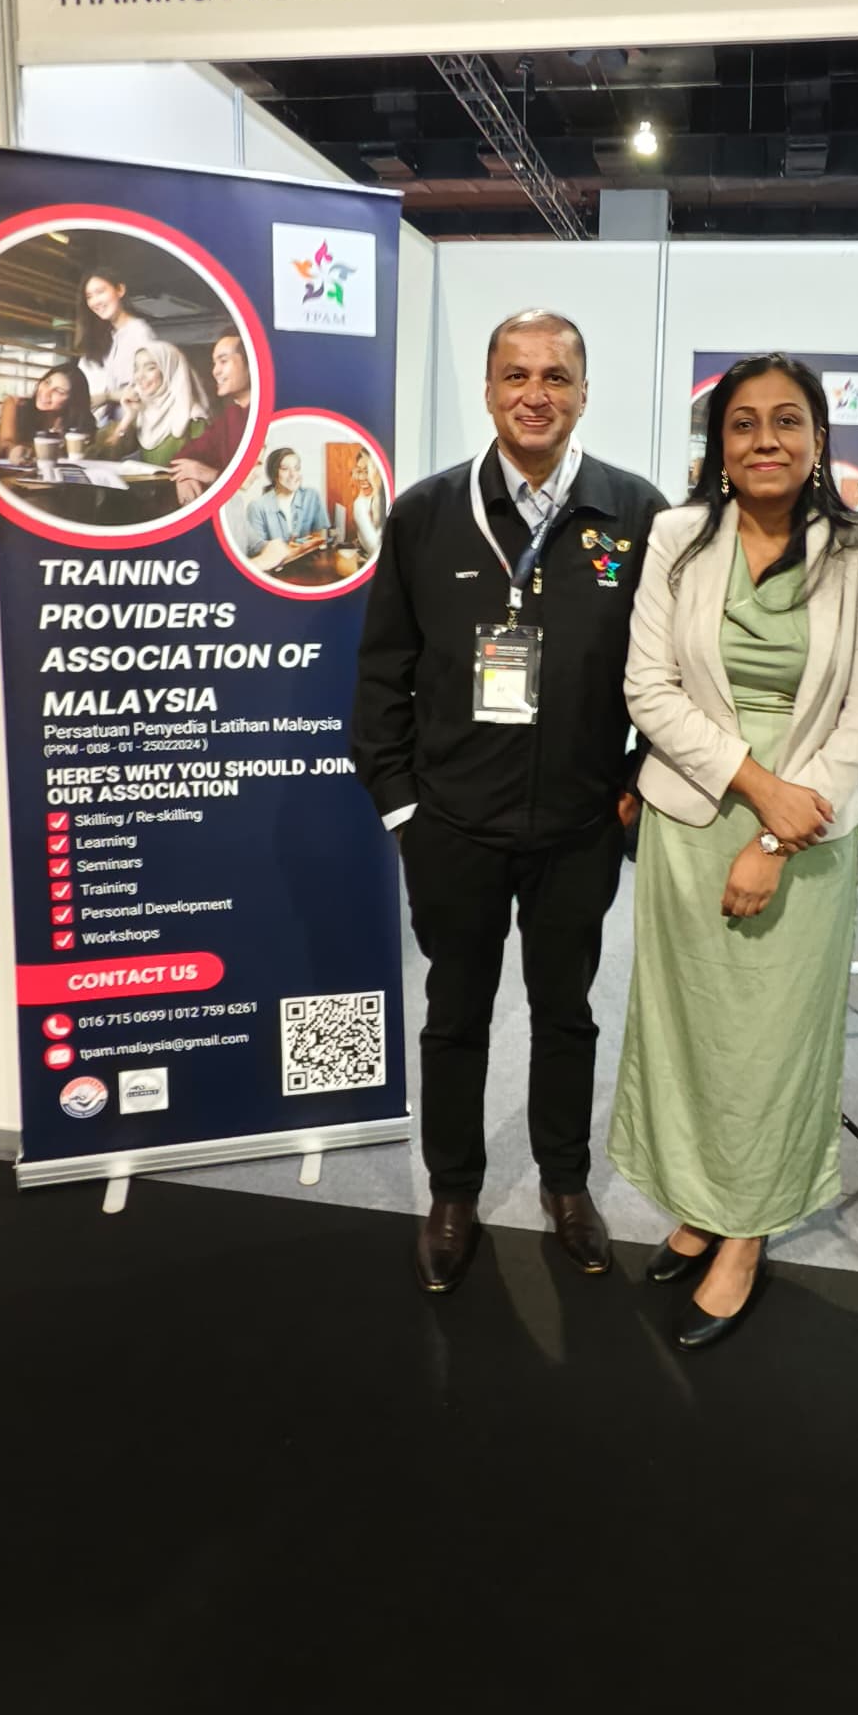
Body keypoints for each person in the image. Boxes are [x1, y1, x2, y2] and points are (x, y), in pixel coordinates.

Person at [351, 308, 664, 1295]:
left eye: (556, 376)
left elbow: (674, 673)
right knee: (455, 1015)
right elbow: (382, 674)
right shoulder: (427, 513)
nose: (536, 394)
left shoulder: (638, 514)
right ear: (488, 391)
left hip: (580, 826)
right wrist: (403, 810)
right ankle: (453, 1193)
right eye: (516, 375)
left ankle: (565, 1184)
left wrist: (634, 788)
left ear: (584, 392)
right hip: (453, 827)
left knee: (566, 1012)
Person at [609, 353, 858, 1352]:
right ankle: (699, 1202)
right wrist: (754, 785)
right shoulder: (678, 537)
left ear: (819, 439)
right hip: (692, 818)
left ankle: (746, 1230)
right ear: (719, 444)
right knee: (688, 1029)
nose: (764, 440)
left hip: (808, 828)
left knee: (772, 1042)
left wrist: (779, 827)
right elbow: (649, 688)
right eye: (743, 423)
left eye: (786, 420)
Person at [170, 332, 252, 506]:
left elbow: (263, 487)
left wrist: (211, 475)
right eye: (215, 363)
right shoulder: (230, 417)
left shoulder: (272, 414)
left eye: (224, 361)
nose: (215, 371)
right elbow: (185, 454)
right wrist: (184, 477)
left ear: (251, 363)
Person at [73, 269, 164, 418]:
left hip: (131, 422)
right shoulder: (102, 335)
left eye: (100, 292)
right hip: (95, 423)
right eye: (89, 296)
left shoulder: (139, 333)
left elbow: (147, 388)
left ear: (120, 290)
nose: (95, 301)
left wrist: (107, 396)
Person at [102, 340, 207, 468]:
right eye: (136, 369)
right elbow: (108, 455)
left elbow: (201, 468)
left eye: (150, 368)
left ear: (169, 370)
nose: (139, 376)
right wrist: (127, 418)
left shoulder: (194, 419)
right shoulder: (142, 413)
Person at [0, 363, 95, 462]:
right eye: (47, 383)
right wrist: (14, 451)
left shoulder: (75, 428)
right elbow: (6, 444)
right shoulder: (15, 405)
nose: (45, 393)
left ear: (72, 400)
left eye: (59, 391)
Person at [245, 448, 328, 559]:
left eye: (297, 468)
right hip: (276, 566)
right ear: (273, 473)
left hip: (309, 562)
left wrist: (309, 543)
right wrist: (286, 550)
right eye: (285, 469)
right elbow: (255, 551)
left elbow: (322, 535)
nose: (293, 475)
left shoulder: (312, 496)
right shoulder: (257, 507)